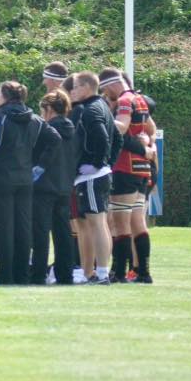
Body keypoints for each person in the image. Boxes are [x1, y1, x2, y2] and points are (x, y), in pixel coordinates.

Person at [0, 81, 60, 284]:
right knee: (23, 227)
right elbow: (54, 139)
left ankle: (5, 274)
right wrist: (39, 166)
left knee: (3, 228)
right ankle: (22, 273)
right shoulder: (35, 119)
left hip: (1, 177)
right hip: (25, 178)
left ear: (7, 97)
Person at [99, 68, 156, 283]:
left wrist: (100, 118)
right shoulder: (139, 99)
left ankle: (119, 272)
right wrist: (147, 145)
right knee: (137, 222)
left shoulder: (124, 100)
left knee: (119, 223)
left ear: (112, 84)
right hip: (142, 170)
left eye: (105, 89)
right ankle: (143, 272)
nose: (105, 94)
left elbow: (121, 128)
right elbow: (151, 129)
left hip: (125, 168)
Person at [68, 71, 122, 284]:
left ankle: (101, 273)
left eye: (76, 87)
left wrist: (99, 163)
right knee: (91, 223)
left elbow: (103, 136)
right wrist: (109, 163)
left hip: (91, 176)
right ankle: (90, 272)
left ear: (87, 87)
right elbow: (117, 138)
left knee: (97, 222)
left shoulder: (90, 110)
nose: (72, 92)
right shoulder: (104, 107)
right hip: (96, 174)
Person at [31, 89, 77, 284]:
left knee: (40, 232)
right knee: (63, 232)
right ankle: (65, 273)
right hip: (65, 186)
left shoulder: (46, 130)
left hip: (43, 186)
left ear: (49, 109)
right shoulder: (73, 130)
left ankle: (39, 273)